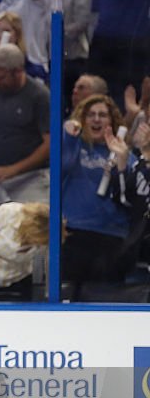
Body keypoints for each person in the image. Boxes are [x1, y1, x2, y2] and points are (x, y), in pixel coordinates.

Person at [61, 95, 136, 300]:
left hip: (110, 237)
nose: (96, 120)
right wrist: (69, 137)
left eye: (102, 115)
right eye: (91, 115)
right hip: (73, 234)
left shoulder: (125, 154)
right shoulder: (73, 146)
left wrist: (121, 164)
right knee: (68, 300)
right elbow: (63, 165)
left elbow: (132, 197)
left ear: (112, 122)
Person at [0, 43, 50, 214]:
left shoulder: (39, 95)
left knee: (27, 231)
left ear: (18, 71)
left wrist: (14, 170)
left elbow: (49, 144)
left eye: (1, 77)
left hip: (32, 179)